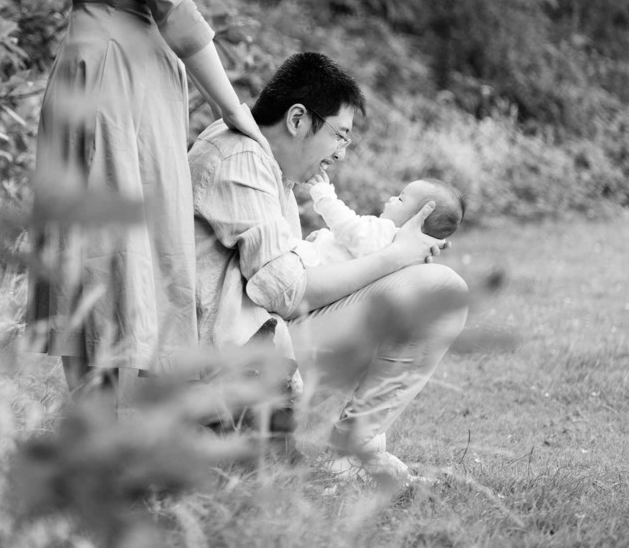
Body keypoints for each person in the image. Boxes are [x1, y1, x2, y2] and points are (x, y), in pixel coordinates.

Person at [25, 0, 272, 398]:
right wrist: (235, 108)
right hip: (109, 89)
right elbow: (178, 16)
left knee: (135, 265)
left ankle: (117, 450)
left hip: (142, 89)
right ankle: (90, 453)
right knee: (105, 262)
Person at [189, 52, 469, 488]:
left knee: (427, 289)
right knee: (439, 289)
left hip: (262, 343)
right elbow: (288, 293)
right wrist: (395, 258)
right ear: (298, 119)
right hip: (226, 360)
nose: (340, 153)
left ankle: (350, 450)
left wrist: (398, 260)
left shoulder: (269, 168)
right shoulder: (239, 160)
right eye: (340, 135)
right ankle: (349, 452)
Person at [288, 172, 466, 274]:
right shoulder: (397, 250)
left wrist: (324, 195)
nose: (391, 198)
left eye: (401, 199)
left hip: (301, 269)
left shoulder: (387, 234)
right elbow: (351, 246)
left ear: (417, 220)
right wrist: (325, 237)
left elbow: (348, 228)